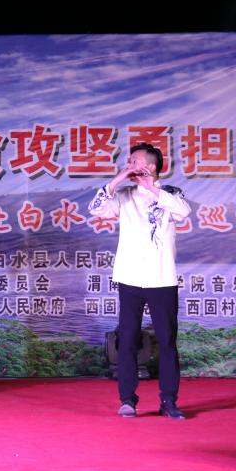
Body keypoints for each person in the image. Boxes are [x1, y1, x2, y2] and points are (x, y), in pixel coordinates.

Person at [88, 142, 191, 419]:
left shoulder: (170, 194)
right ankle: (127, 400)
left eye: (134, 161)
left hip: (162, 278)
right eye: (129, 162)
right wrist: (119, 178)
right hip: (130, 277)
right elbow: (96, 208)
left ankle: (168, 401)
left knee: (167, 341)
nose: (129, 165)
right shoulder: (124, 195)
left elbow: (183, 212)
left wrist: (150, 187)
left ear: (151, 166)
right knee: (128, 339)